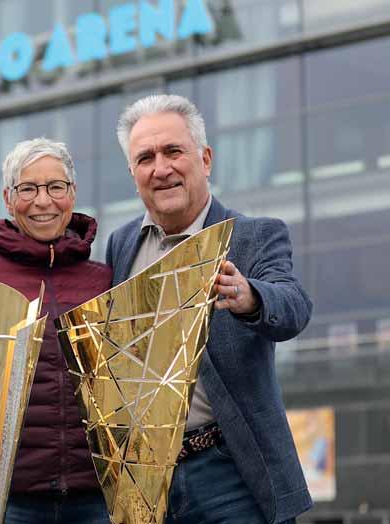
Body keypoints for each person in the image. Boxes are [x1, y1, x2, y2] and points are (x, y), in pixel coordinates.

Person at [106, 94, 313, 524]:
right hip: (149, 483)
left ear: (205, 159)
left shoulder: (255, 235)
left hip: (233, 474)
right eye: (145, 158)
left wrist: (250, 297)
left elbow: (294, 305)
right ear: (132, 173)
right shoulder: (120, 244)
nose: (161, 168)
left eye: (173, 151)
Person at [0, 138, 112, 524]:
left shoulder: (104, 279)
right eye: (28, 188)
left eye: (55, 187)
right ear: (8, 198)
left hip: (97, 499)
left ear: (72, 193)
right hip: (9, 501)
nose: (43, 201)